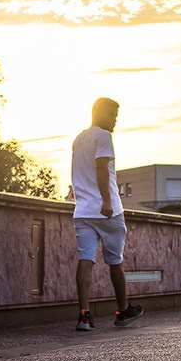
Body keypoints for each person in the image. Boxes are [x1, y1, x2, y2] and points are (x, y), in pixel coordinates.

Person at [71, 97, 143, 331]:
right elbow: (101, 168)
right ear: (99, 114)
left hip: (82, 210)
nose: (115, 121)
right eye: (112, 115)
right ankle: (122, 311)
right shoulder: (103, 136)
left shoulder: (79, 138)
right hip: (106, 211)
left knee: (86, 260)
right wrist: (106, 200)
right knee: (115, 262)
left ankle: (84, 316)